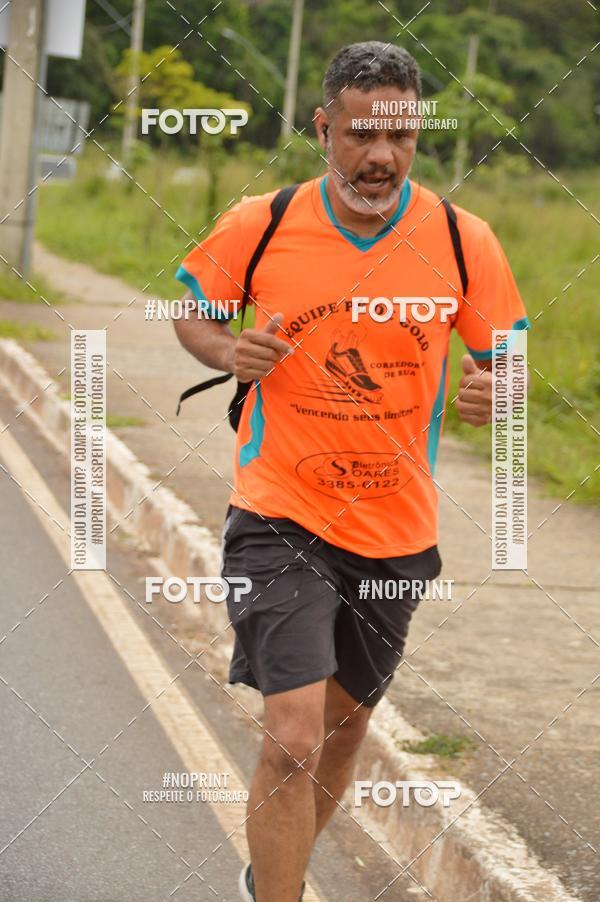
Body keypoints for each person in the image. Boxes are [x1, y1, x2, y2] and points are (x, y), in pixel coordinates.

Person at [174, 41, 529, 902]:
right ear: (324, 127)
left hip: (396, 532)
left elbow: (508, 359)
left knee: (342, 730)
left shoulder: (458, 237)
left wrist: (496, 392)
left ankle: (273, 866)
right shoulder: (263, 220)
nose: (382, 156)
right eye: (362, 134)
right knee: (291, 737)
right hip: (279, 512)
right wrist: (230, 347)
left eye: (401, 136)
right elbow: (193, 312)